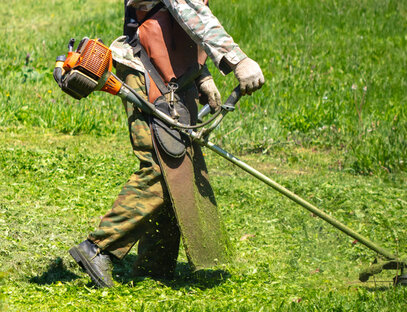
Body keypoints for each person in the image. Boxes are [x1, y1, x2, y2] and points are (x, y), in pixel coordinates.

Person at [68, 0, 264, 288]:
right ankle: (97, 248)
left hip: (171, 79)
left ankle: (154, 269)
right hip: (147, 75)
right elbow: (191, 11)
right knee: (161, 169)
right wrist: (237, 60)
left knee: (178, 172)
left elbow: (173, 22)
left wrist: (201, 75)